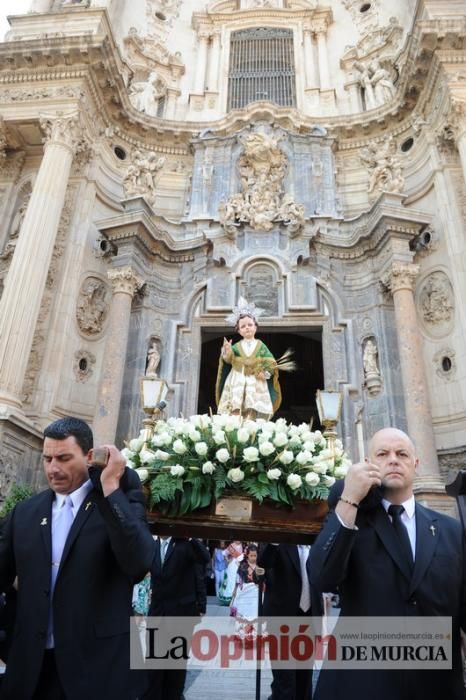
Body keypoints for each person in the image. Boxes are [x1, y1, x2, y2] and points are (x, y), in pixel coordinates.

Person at [0, 416, 155, 700]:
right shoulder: (24, 513)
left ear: (88, 456)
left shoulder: (116, 502)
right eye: (47, 459)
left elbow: (140, 560)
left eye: (63, 458)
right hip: (30, 673)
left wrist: (110, 488)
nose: (53, 468)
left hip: (97, 672)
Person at [309, 427, 466, 700]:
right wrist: (350, 497)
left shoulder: (451, 530)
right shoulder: (351, 518)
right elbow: (322, 577)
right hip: (360, 682)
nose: (393, 459)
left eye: (402, 454)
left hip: (436, 685)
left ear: (416, 464)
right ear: (368, 464)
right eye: (383, 454)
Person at [143, 535, 210, 700]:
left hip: (180, 615)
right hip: (157, 614)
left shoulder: (184, 544)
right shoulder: (151, 544)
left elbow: (204, 558)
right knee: (154, 664)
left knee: (176, 666)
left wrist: (190, 536)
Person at [258, 542, 321, 699]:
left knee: (305, 677)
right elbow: (264, 562)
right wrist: (276, 538)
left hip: (308, 617)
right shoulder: (279, 542)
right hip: (282, 618)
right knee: (284, 679)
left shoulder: (317, 540)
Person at [216, 297, 281, 419]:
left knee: (252, 407)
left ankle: (251, 425)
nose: (247, 328)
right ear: (239, 331)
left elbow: (271, 361)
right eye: (243, 326)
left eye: (250, 325)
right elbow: (228, 360)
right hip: (237, 379)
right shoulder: (236, 346)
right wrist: (227, 350)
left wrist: (265, 373)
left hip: (254, 381)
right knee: (236, 406)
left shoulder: (260, 345)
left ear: (256, 327)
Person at [230, 544, 263, 645]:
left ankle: (254, 637)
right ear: (247, 555)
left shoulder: (260, 566)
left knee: (255, 616)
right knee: (242, 616)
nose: (253, 558)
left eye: (255, 555)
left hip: (255, 595)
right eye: (251, 555)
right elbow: (238, 581)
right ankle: (241, 637)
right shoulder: (242, 566)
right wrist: (235, 592)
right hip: (244, 595)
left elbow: (263, 581)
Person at [218, 540, 244, 605]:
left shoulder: (242, 545)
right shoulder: (232, 545)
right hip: (231, 565)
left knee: (237, 581)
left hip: (238, 566)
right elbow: (224, 553)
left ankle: (235, 599)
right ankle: (227, 599)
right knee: (230, 581)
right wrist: (228, 560)